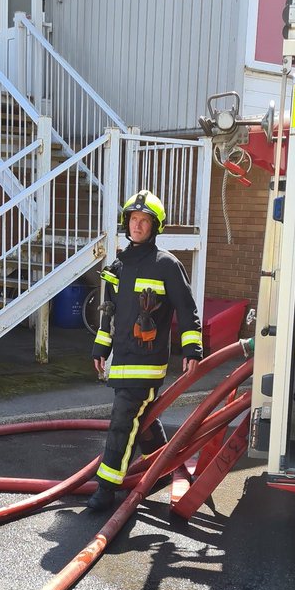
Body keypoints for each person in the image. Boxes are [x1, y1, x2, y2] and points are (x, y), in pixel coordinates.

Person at [87, 189, 203, 511]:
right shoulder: (119, 266)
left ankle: (106, 488)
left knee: (123, 420)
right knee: (143, 419)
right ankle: (163, 468)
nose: (137, 226)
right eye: (133, 219)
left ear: (155, 227)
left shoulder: (167, 265)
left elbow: (187, 309)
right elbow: (108, 311)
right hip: (122, 360)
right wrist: (101, 345)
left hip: (147, 364)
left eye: (144, 221)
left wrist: (192, 349)